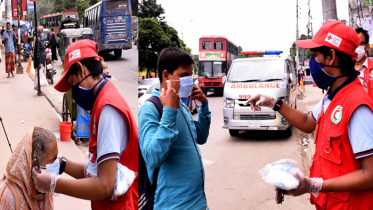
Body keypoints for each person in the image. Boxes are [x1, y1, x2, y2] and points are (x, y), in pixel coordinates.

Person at [247, 21, 373, 209]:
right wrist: (274, 103)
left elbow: (370, 173)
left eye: (315, 56)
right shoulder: (332, 96)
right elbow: (307, 122)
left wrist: (314, 185)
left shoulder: (357, 107)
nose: (312, 63)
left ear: (331, 56)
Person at [32, 39, 138, 209]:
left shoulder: (108, 108)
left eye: (73, 84)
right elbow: (96, 169)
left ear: (81, 69)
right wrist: (61, 163)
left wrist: (54, 183)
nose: (74, 94)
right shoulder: (101, 101)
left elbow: (104, 186)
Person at [139, 47, 211, 209]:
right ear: (166, 75)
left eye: (190, 76)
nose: (189, 81)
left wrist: (204, 106)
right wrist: (169, 112)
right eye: (184, 76)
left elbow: (201, 136)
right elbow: (153, 157)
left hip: (198, 202)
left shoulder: (181, 104)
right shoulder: (150, 109)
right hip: (173, 205)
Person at [0, 127, 56, 209]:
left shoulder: (44, 188)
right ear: (36, 165)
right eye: (53, 161)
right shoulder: (11, 197)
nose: (56, 166)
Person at [354, 27, 373, 97]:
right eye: (354, 44)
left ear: (367, 46)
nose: (356, 47)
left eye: (360, 44)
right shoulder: (344, 70)